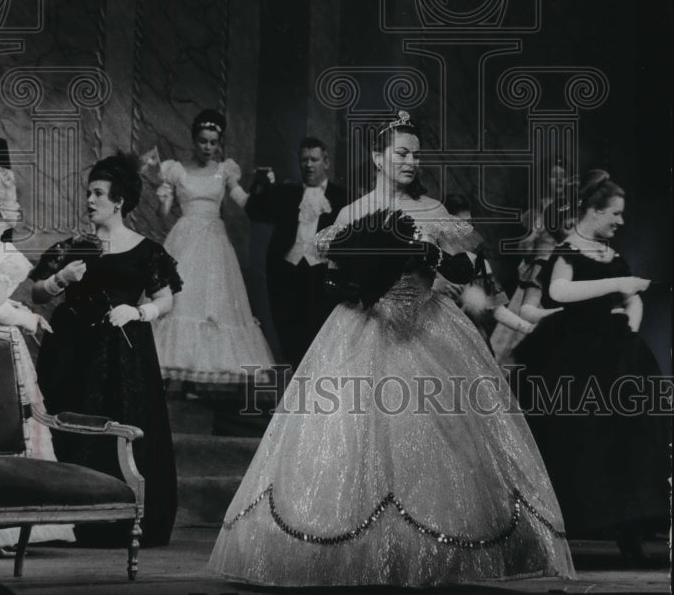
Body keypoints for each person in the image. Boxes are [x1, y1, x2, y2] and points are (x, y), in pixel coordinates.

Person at [208, 113, 574, 588]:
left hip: (431, 324)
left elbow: (464, 271)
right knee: (352, 435)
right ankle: (355, 556)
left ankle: (431, 556)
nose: (409, 160)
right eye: (400, 152)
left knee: (436, 438)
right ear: (377, 157)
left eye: (415, 153)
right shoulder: (353, 212)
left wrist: (433, 257)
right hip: (364, 326)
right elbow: (328, 277)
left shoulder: (434, 209)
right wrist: (362, 284)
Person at [512, 170, 670, 564]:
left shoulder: (612, 255)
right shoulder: (567, 252)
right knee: (582, 436)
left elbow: (632, 298)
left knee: (633, 434)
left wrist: (630, 323)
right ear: (594, 212)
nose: (620, 221)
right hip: (577, 350)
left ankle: (632, 523)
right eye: (614, 213)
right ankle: (578, 524)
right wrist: (623, 283)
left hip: (617, 351)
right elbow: (559, 292)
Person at [30, 152, 182, 548]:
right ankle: (73, 520)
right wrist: (61, 278)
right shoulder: (73, 247)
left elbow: (166, 299)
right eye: (89, 192)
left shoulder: (147, 251)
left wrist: (139, 310)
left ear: (119, 201)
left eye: (98, 193)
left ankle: (124, 519)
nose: (90, 200)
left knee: (123, 429)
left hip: (125, 360)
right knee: (73, 429)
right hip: (72, 356)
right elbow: (36, 292)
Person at [0, 169, 74, 549]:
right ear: (3, 209)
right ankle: (4, 527)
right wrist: (30, 317)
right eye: (15, 202)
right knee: (8, 428)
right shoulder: (0, 252)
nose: (19, 209)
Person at [143, 110, 274, 392]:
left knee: (209, 304)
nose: (208, 147)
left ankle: (194, 380)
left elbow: (245, 202)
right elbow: (164, 214)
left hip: (214, 241)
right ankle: (167, 377)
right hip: (185, 236)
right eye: (203, 141)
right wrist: (164, 196)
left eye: (213, 142)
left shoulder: (224, 170)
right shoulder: (176, 170)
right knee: (180, 300)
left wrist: (265, 188)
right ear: (193, 140)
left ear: (219, 143)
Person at [245, 137, 347, 371]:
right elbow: (255, 211)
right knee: (291, 339)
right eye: (304, 160)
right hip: (288, 275)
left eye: (314, 159)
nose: (309, 165)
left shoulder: (342, 198)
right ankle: (295, 399)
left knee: (321, 338)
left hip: (323, 276)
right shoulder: (286, 193)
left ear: (326, 162)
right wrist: (261, 184)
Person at [491, 164, 573, 366]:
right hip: (539, 270)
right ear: (547, 181)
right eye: (555, 176)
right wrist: (533, 239)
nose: (560, 181)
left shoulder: (573, 209)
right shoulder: (540, 209)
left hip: (564, 272)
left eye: (564, 177)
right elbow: (526, 244)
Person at [442, 193, 534, 353]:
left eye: (468, 224)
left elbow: (496, 308)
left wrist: (528, 328)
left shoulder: (479, 264)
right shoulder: (425, 260)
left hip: (468, 343)